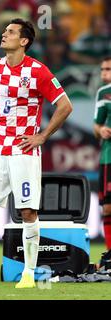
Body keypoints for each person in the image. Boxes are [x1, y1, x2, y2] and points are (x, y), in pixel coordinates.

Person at [0, 18, 73, 289]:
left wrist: (42, 136)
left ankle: (30, 274)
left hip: (23, 151)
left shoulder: (38, 71)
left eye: (10, 32)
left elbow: (65, 105)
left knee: (27, 212)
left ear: (24, 41)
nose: (4, 34)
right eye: (4, 30)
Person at [93, 56, 111, 250]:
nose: (104, 72)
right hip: (108, 156)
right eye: (102, 69)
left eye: (108, 69)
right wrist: (101, 130)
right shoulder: (103, 93)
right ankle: (110, 255)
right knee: (107, 208)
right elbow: (96, 126)